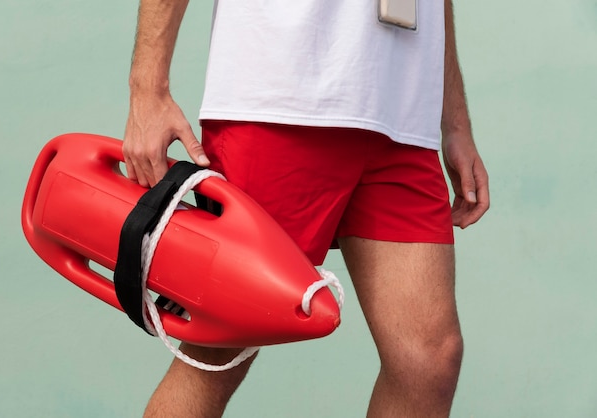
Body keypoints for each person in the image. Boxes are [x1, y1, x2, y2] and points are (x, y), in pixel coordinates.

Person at [123, 0, 490, 416]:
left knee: (428, 361)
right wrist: (147, 89)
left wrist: (454, 121)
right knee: (218, 355)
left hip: (401, 109)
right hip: (280, 100)